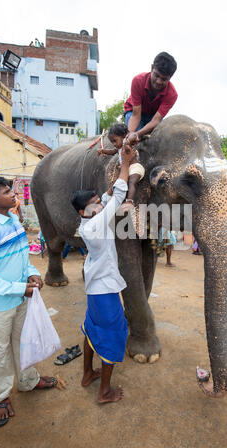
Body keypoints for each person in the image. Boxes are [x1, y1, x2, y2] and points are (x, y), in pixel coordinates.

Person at [0, 177, 57, 428]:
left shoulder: (14, 220)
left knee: (23, 341)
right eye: (7, 191)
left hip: (20, 297)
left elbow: (20, 256)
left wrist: (32, 272)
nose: (13, 193)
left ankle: (28, 380)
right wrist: (20, 288)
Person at [71, 143, 136, 404]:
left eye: (97, 201)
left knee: (91, 329)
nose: (99, 204)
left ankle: (88, 374)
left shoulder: (87, 221)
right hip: (105, 291)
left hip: (95, 289)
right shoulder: (96, 222)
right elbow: (117, 196)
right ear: (82, 211)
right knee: (113, 335)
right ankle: (104, 392)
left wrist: (104, 195)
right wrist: (125, 164)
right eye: (94, 203)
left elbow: (107, 198)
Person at [124, 52, 178, 144]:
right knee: (134, 142)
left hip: (152, 118)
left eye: (164, 79)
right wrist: (131, 135)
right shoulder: (138, 81)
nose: (158, 81)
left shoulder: (172, 94)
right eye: (156, 75)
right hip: (134, 112)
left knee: (161, 140)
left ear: (170, 78)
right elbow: (136, 115)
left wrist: (138, 134)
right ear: (152, 68)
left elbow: (156, 120)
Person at [98, 123, 145, 207]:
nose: (114, 144)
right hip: (126, 170)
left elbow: (134, 135)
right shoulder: (119, 148)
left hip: (135, 168)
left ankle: (129, 201)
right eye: (112, 142)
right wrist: (103, 151)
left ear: (124, 136)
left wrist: (127, 141)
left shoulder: (126, 143)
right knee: (117, 183)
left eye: (115, 141)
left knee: (131, 182)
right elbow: (112, 151)